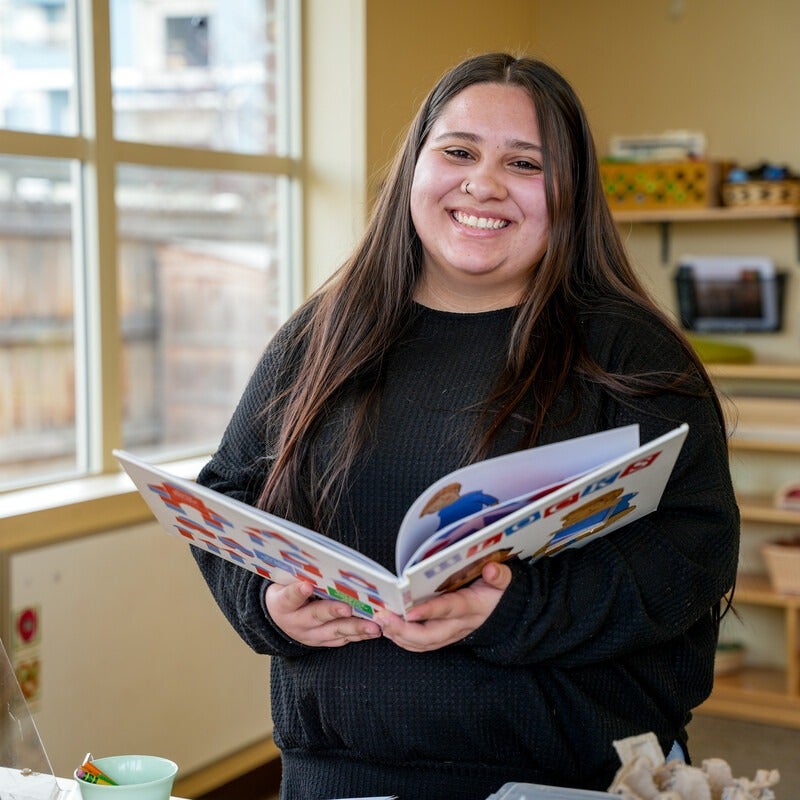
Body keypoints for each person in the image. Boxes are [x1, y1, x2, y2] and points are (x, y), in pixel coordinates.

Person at [191, 52, 739, 800]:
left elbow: (692, 556)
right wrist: (267, 604)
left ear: (569, 193)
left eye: (524, 163)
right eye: (457, 151)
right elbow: (228, 501)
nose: (482, 183)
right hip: (337, 778)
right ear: (415, 167)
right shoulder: (321, 335)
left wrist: (517, 610)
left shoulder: (629, 352)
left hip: (568, 782)